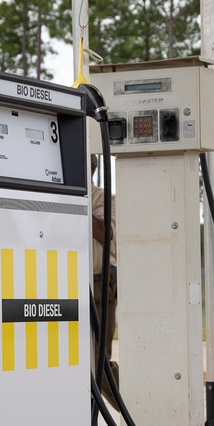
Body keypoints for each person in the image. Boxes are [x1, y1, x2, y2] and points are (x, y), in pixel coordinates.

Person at [90, 155, 119, 408]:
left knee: (99, 358)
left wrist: (71, 203)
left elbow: (103, 232)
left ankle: (133, 404)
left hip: (99, 284)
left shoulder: (102, 198)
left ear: (92, 166)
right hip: (65, 283)